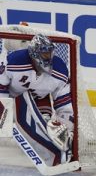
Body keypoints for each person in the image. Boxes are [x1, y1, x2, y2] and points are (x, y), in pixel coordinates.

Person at [0, 34, 74, 166]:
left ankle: (57, 152)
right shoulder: (14, 61)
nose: (48, 57)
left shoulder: (60, 70)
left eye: (49, 53)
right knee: (20, 115)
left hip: (39, 100)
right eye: (44, 54)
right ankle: (53, 155)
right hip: (11, 98)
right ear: (34, 54)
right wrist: (5, 112)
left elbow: (64, 104)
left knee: (46, 125)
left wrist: (69, 129)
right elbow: (1, 86)